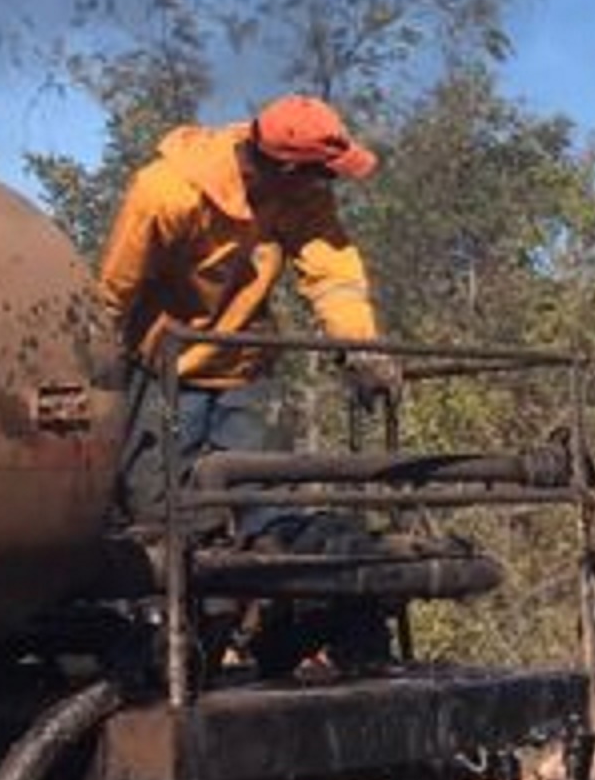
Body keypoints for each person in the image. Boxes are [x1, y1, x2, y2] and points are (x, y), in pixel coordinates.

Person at [98, 94, 402, 524]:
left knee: (266, 509)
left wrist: (360, 347)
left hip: (245, 367)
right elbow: (116, 289)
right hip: (163, 371)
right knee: (161, 516)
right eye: (323, 175)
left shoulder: (299, 196)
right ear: (289, 170)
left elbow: (333, 272)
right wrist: (97, 370)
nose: (327, 187)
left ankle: (268, 575)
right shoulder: (167, 192)